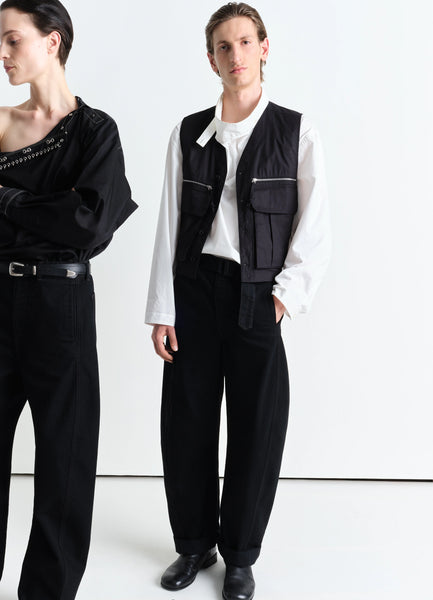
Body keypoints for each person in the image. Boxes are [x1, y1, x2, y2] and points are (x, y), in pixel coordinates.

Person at [145, 3, 330, 599]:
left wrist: (283, 299)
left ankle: (241, 556)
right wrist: (162, 309)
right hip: (194, 291)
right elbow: (169, 223)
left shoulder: (296, 131)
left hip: (258, 296)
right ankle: (194, 544)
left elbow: (315, 227)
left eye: (245, 42)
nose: (235, 55)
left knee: (257, 429)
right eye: (223, 46)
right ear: (211, 59)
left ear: (264, 48)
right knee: (187, 423)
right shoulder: (188, 132)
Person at [0, 1, 137, 598]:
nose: (2, 54)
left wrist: (6, 201)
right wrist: (51, 213)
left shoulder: (96, 130)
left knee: (66, 459)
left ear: (52, 41)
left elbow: (91, 222)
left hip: (62, 307)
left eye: (12, 40)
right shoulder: (1, 121)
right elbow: (71, 216)